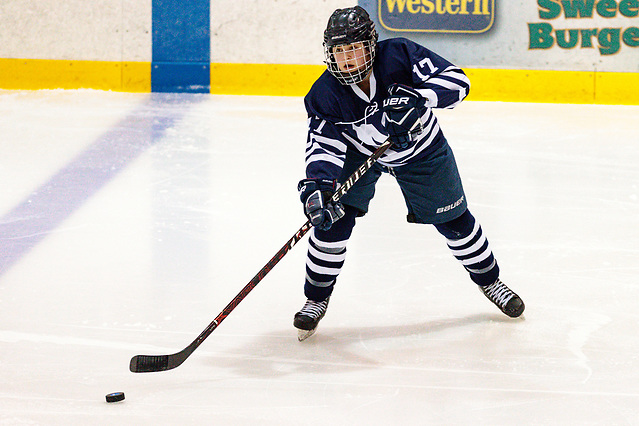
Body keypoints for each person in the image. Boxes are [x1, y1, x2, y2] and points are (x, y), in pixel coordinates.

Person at [294, 6, 524, 341]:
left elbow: (458, 81)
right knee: (333, 222)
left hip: (422, 151)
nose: (347, 60)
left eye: (354, 50)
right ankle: (315, 299)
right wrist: (319, 187)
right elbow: (323, 147)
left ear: (371, 46)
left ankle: (491, 281)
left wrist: (419, 98)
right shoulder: (324, 94)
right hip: (361, 153)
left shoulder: (399, 53)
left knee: (455, 221)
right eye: (339, 52)